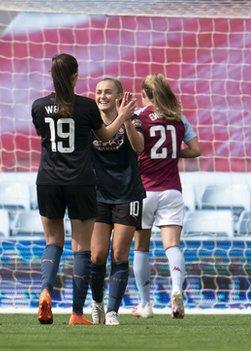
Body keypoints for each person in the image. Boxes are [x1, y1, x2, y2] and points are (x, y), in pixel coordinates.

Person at [31, 54, 135, 325]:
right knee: (81, 248)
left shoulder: (38, 106)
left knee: (53, 241)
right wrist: (122, 115)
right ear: (75, 77)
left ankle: (45, 290)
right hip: (80, 181)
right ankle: (77, 313)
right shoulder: (87, 107)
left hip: (48, 180)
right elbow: (106, 136)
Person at [130, 74, 201, 319]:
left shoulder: (139, 116)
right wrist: (172, 153)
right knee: (172, 245)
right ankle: (175, 290)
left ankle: (145, 304)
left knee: (141, 247)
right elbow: (196, 149)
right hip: (172, 190)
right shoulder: (178, 117)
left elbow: (136, 146)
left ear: (146, 95)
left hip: (144, 190)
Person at [89, 78, 145, 325]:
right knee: (97, 255)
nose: (102, 96)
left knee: (120, 253)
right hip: (98, 196)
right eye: (99, 91)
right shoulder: (89, 121)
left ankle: (112, 311)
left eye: (108, 92)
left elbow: (139, 146)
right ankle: (97, 304)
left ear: (119, 96)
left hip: (128, 194)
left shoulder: (133, 119)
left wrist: (124, 118)